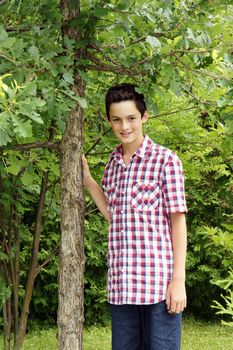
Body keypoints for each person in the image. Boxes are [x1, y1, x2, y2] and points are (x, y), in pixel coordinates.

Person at [82, 83, 187, 350]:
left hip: (159, 288)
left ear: (144, 116)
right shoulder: (112, 165)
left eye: (131, 118)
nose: (124, 126)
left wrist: (178, 281)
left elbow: (178, 223)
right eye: (116, 119)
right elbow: (114, 215)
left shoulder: (166, 161)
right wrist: (89, 181)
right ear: (109, 121)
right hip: (122, 288)